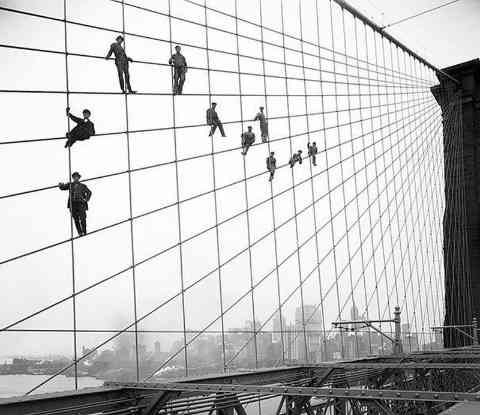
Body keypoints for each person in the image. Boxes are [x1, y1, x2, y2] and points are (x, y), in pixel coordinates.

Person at [58, 172, 92, 237]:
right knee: (76, 219)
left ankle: (84, 231)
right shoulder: (70, 185)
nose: (75, 178)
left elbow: (89, 192)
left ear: (79, 178)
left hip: (81, 203)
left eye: (77, 177)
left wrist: (86, 199)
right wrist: (60, 185)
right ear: (73, 178)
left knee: (82, 218)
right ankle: (80, 232)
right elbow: (63, 187)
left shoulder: (83, 186)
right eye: (74, 177)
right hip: (73, 204)